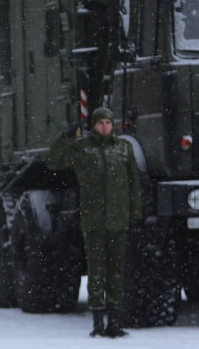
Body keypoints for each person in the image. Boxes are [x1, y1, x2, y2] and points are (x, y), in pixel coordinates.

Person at [45, 107, 143, 337]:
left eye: (108, 122)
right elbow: (53, 161)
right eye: (101, 123)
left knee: (116, 271)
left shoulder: (123, 148)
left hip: (118, 220)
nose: (105, 127)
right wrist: (65, 138)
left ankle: (115, 321)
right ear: (94, 125)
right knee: (97, 270)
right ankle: (98, 321)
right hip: (94, 221)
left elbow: (134, 183)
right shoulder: (83, 149)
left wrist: (135, 213)